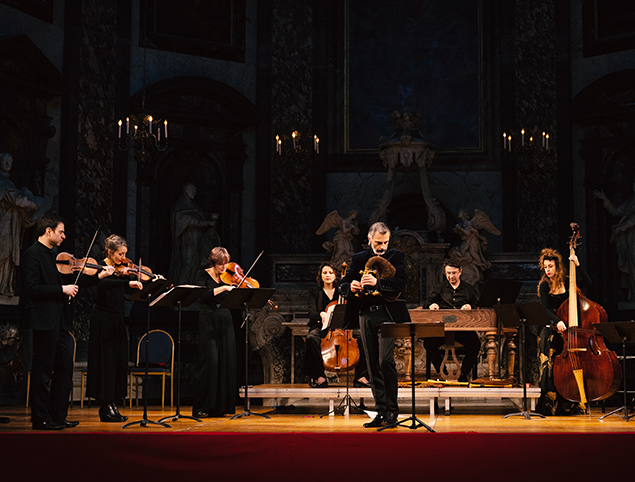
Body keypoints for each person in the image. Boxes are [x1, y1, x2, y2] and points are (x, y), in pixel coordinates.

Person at [340, 222, 409, 428]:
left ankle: (392, 412)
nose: (382, 246)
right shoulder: (359, 258)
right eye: (378, 242)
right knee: (371, 365)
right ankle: (381, 410)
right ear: (370, 239)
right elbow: (343, 284)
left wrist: (377, 283)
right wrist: (349, 286)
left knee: (385, 361)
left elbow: (401, 284)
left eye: (385, 242)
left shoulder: (396, 256)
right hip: (365, 315)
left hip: (387, 314)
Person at [20, 213, 79, 430]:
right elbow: (31, 289)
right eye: (61, 232)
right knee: (43, 369)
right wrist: (61, 290)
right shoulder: (32, 255)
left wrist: (65, 290)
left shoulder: (51, 256)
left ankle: (57, 415)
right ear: (48, 231)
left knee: (64, 366)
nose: (64, 236)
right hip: (44, 320)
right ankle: (40, 418)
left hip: (58, 321)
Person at [86, 234, 143, 422]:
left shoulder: (121, 270)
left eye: (125, 254)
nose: (123, 258)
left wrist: (141, 281)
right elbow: (101, 286)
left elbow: (125, 291)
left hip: (118, 319)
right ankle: (105, 406)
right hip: (103, 319)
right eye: (120, 254)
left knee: (119, 362)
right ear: (110, 252)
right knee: (106, 363)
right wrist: (126, 281)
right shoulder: (99, 269)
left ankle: (113, 404)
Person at [536, 248, 591, 415]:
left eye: (551, 266)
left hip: (569, 330)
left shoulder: (568, 282)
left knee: (569, 363)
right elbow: (545, 308)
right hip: (551, 327)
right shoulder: (545, 285)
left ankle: (569, 402)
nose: (548, 270)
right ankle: (549, 402)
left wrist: (577, 264)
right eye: (545, 267)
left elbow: (588, 283)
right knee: (550, 363)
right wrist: (557, 320)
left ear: (557, 267)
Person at [305, 261, 370, 388]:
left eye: (331, 272)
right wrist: (321, 314)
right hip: (323, 328)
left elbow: (354, 307)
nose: (328, 275)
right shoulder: (314, 292)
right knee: (311, 338)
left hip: (344, 328)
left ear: (335, 276)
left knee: (364, 338)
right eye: (324, 273)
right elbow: (311, 313)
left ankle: (361, 376)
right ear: (320, 276)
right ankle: (320, 377)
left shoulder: (342, 291)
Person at [192, 246, 237, 418]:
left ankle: (221, 407)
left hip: (224, 318)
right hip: (208, 318)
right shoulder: (201, 275)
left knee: (226, 361)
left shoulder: (228, 277)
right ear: (213, 262)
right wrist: (224, 288)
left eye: (226, 264)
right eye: (221, 264)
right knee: (210, 361)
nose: (224, 268)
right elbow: (203, 295)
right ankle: (203, 406)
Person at [421, 259, 481, 382]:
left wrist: (471, 307)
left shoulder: (468, 289)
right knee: (428, 343)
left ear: (460, 272)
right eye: (448, 273)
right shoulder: (439, 288)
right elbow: (426, 303)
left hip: (462, 328)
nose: (451, 276)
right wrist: (432, 305)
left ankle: (464, 374)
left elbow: (478, 306)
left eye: (454, 273)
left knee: (475, 344)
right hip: (442, 329)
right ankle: (442, 372)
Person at [0, 152, 43, 297]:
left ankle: (5, 287)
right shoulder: (3, 183)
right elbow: (16, 199)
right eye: (5, 161)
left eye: (10, 161)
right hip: (4, 222)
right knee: (4, 253)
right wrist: (34, 205)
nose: (7, 164)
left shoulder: (8, 182)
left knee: (8, 256)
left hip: (11, 222)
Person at [169, 183, 219, 286]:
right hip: (188, 240)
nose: (194, 192)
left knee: (197, 264)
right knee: (188, 263)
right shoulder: (180, 206)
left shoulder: (195, 206)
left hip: (198, 240)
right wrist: (207, 223)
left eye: (195, 190)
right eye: (192, 190)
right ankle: (181, 288)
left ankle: (193, 287)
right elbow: (188, 221)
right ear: (185, 190)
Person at [593, 185, 635, 302]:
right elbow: (616, 212)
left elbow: (633, 220)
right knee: (631, 267)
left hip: (630, 236)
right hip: (628, 240)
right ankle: (632, 294)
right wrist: (604, 199)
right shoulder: (629, 202)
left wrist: (620, 228)